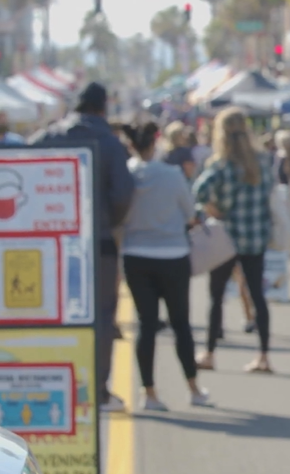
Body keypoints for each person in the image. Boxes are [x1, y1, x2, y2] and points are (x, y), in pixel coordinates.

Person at [32, 82, 135, 413]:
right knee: (101, 316)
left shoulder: (50, 136)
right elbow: (122, 196)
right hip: (98, 243)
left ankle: (49, 386)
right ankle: (97, 390)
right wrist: (105, 221)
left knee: (50, 314)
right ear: (102, 107)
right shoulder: (110, 143)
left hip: (49, 244)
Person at [120, 122, 212, 411]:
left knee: (146, 324)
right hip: (172, 254)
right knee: (180, 324)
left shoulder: (126, 175)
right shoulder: (172, 175)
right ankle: (194, 388)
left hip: (135, 254)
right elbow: (189, 212)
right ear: (154, 144)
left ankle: (149, 393)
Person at [193, 107, 274, 373]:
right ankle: (263, 356)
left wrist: (215, 209)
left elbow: (199, 191)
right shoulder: (262, 161)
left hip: (226, 238)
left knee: (216, 296)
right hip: (255, 235)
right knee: (257, 296)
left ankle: (209, 353)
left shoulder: (221, 164)